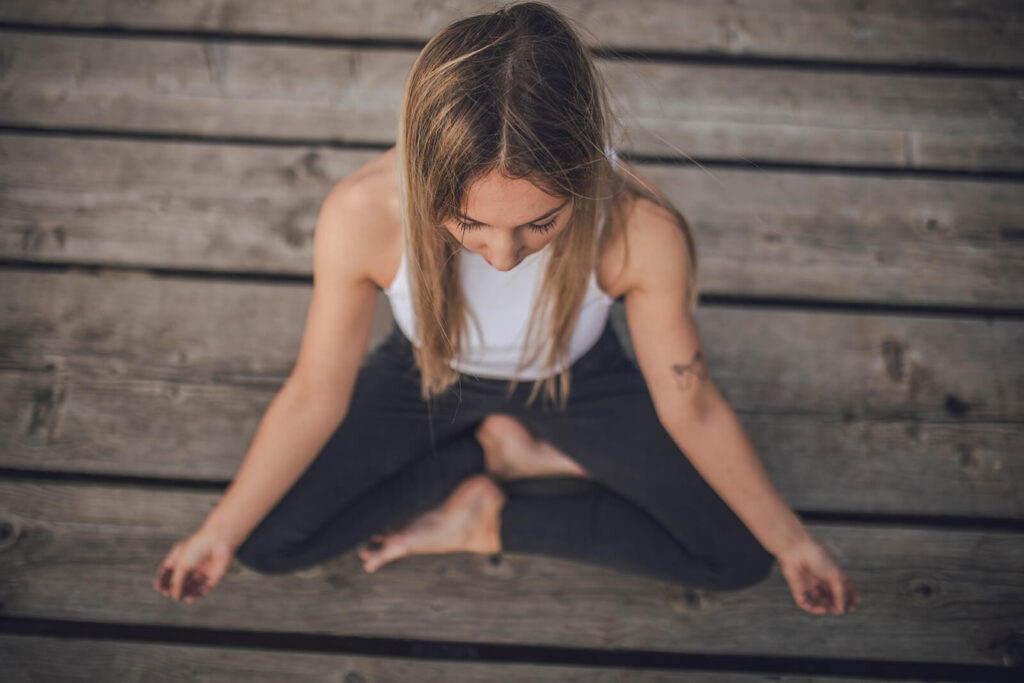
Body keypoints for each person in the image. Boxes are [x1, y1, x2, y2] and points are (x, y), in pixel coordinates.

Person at [154, 1, 859, 616]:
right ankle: (497, 451)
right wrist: (216, 530)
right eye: (468, 225)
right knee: (270, 540)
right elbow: (314, 394)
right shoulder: (361, 214)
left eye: (539, 224)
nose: (501, 256)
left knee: (738, 556)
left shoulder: (638, 229)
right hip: (428, 372)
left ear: (581, 171)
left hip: (576, 375)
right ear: (428, 179)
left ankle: (490, 515)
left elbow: (693, 403)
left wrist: (794, 540)